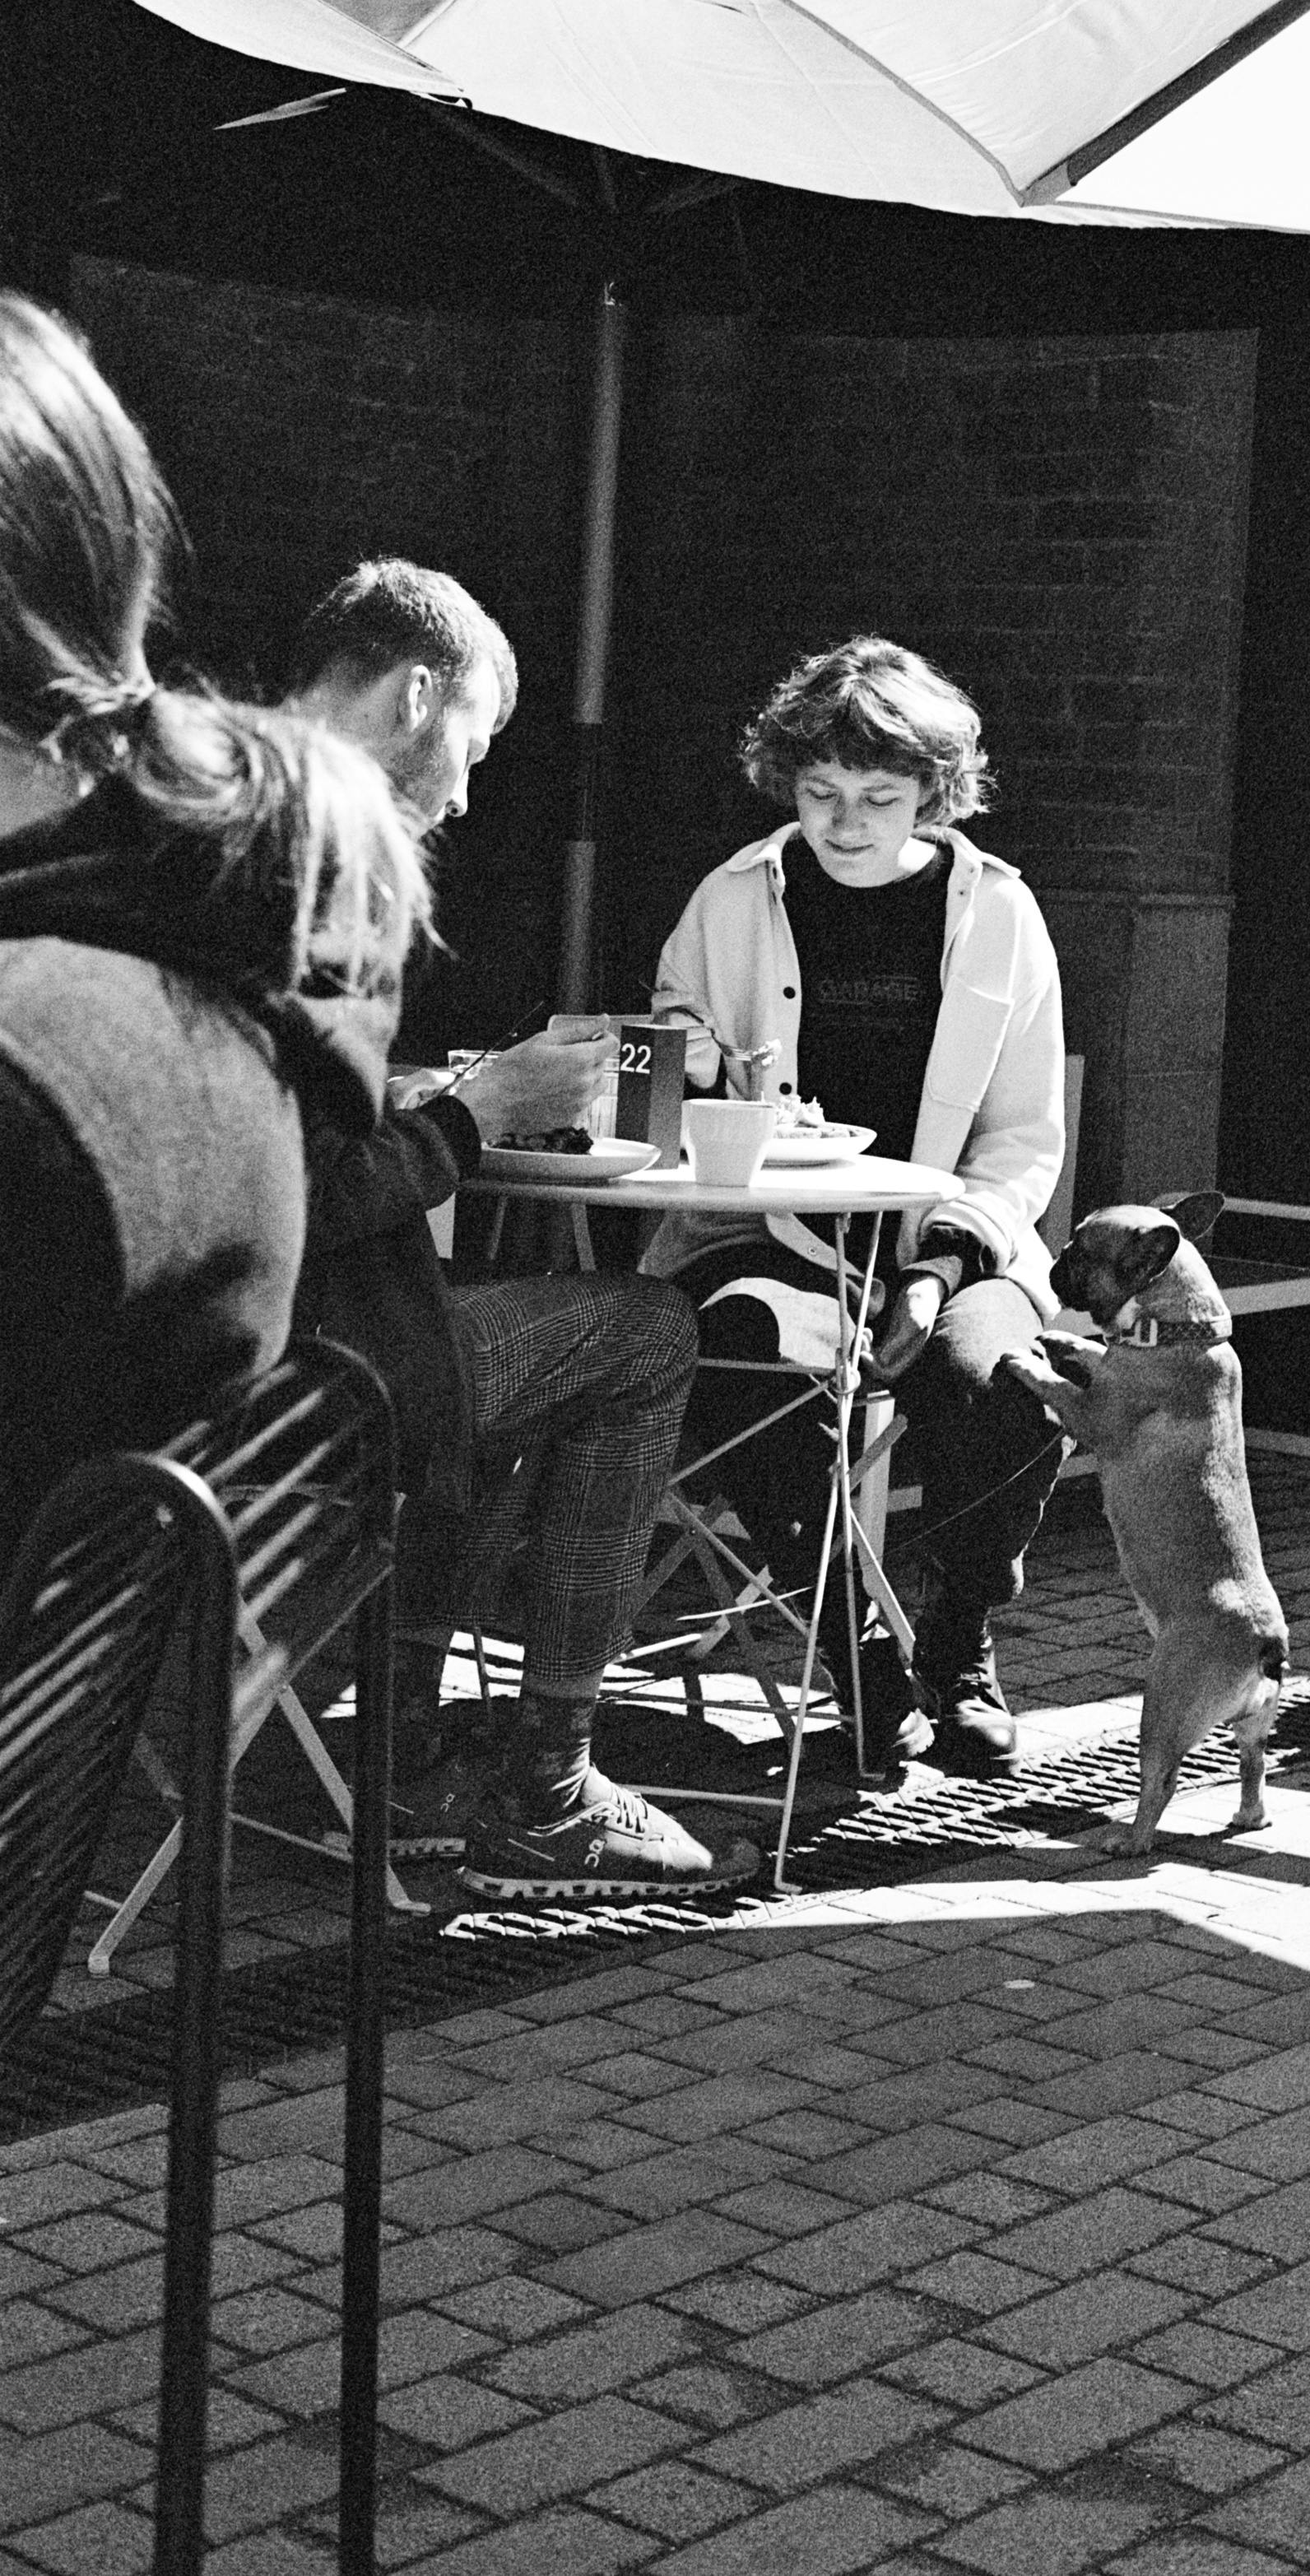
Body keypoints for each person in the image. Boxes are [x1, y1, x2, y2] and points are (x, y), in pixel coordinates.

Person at [286, 560, 759, 1900]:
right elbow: (303, 1196)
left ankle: (406, 1750)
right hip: (306, 1384)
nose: (468, 793)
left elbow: (259, 1125)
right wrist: (479, 1113)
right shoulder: (323, 864)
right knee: (647, 1332)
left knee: (520, 1325)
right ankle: (546, 1783)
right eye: (474, 747)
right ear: (414, 693)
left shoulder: (217, 829)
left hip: (187, 1362)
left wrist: (421, 1101)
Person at [0, 293, 430, 1567]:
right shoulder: (212, 948)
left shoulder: (47, 1076)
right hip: (318, 1477)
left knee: (629, 1336)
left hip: (412, 1395)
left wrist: (462, 1126)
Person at [648, 635, 1068, 1775]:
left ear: (933, 794)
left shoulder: (1002, 916)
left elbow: (1025, 1135)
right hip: (767, 1235)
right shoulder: (733, 898)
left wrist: (938, 1269)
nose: (843, 821)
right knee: (738, 1359)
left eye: (878, 797)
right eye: (820, 790)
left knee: (1015, 1392)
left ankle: (960, 1637)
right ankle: (858, 1655)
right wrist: (684, 1064)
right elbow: (674, 1063)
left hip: (947, 1245)